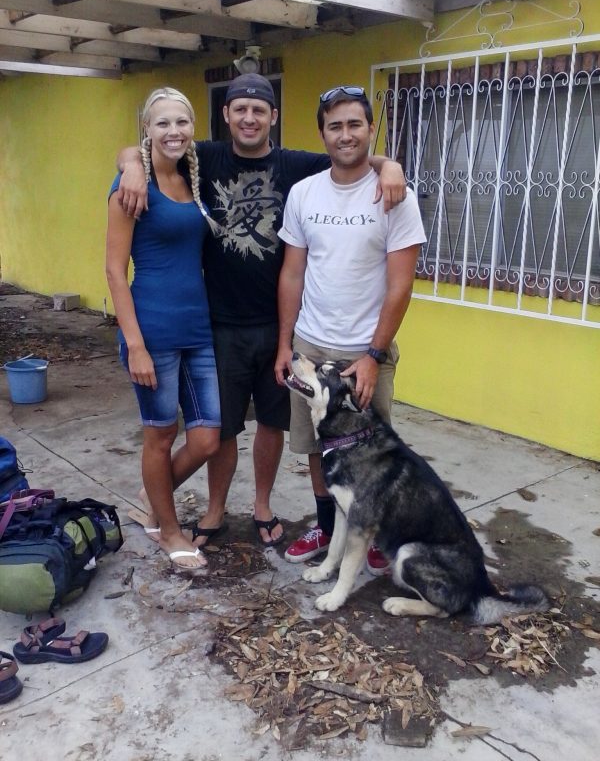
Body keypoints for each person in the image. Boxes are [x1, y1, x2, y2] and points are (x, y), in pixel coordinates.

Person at [116, 73, 406, 548]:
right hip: (218, 323)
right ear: (226, 116)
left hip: (279, 326)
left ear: (274, 117)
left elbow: (349, 154)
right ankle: (213, 510)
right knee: (221, 428)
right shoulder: (202, 156)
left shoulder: (296, 165)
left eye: (259, 109)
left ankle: (263, 505)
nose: (249, 118)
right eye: (239, 109)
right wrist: (130, 162)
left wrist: (389, 165)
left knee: (272, 422)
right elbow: (144, 147)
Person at [274, 85, 426, 574]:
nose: (345, 134)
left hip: (365, 350)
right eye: (335, 126)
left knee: (372, 452)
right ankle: (326, 525)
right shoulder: (304, 193)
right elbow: (292, 273)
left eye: (354, 124)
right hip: (311, 345)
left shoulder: (394, 194)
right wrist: (285, 344)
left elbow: (401, 285)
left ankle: (372, 533)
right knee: (319, 447)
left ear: (369, 130)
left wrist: (374, 355)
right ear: (323, 133)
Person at [106, 87, 221, 571]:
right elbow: (114, 270)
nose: (173, 131)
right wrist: (134, 345)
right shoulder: (131, 187)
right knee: (160, 434)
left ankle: (152, 500)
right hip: (151, 330)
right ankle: (167, 528)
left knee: (206, 438)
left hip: (198, 329)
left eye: (182, 122)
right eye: (162, 123)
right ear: (147, 130)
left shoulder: (193, 178)